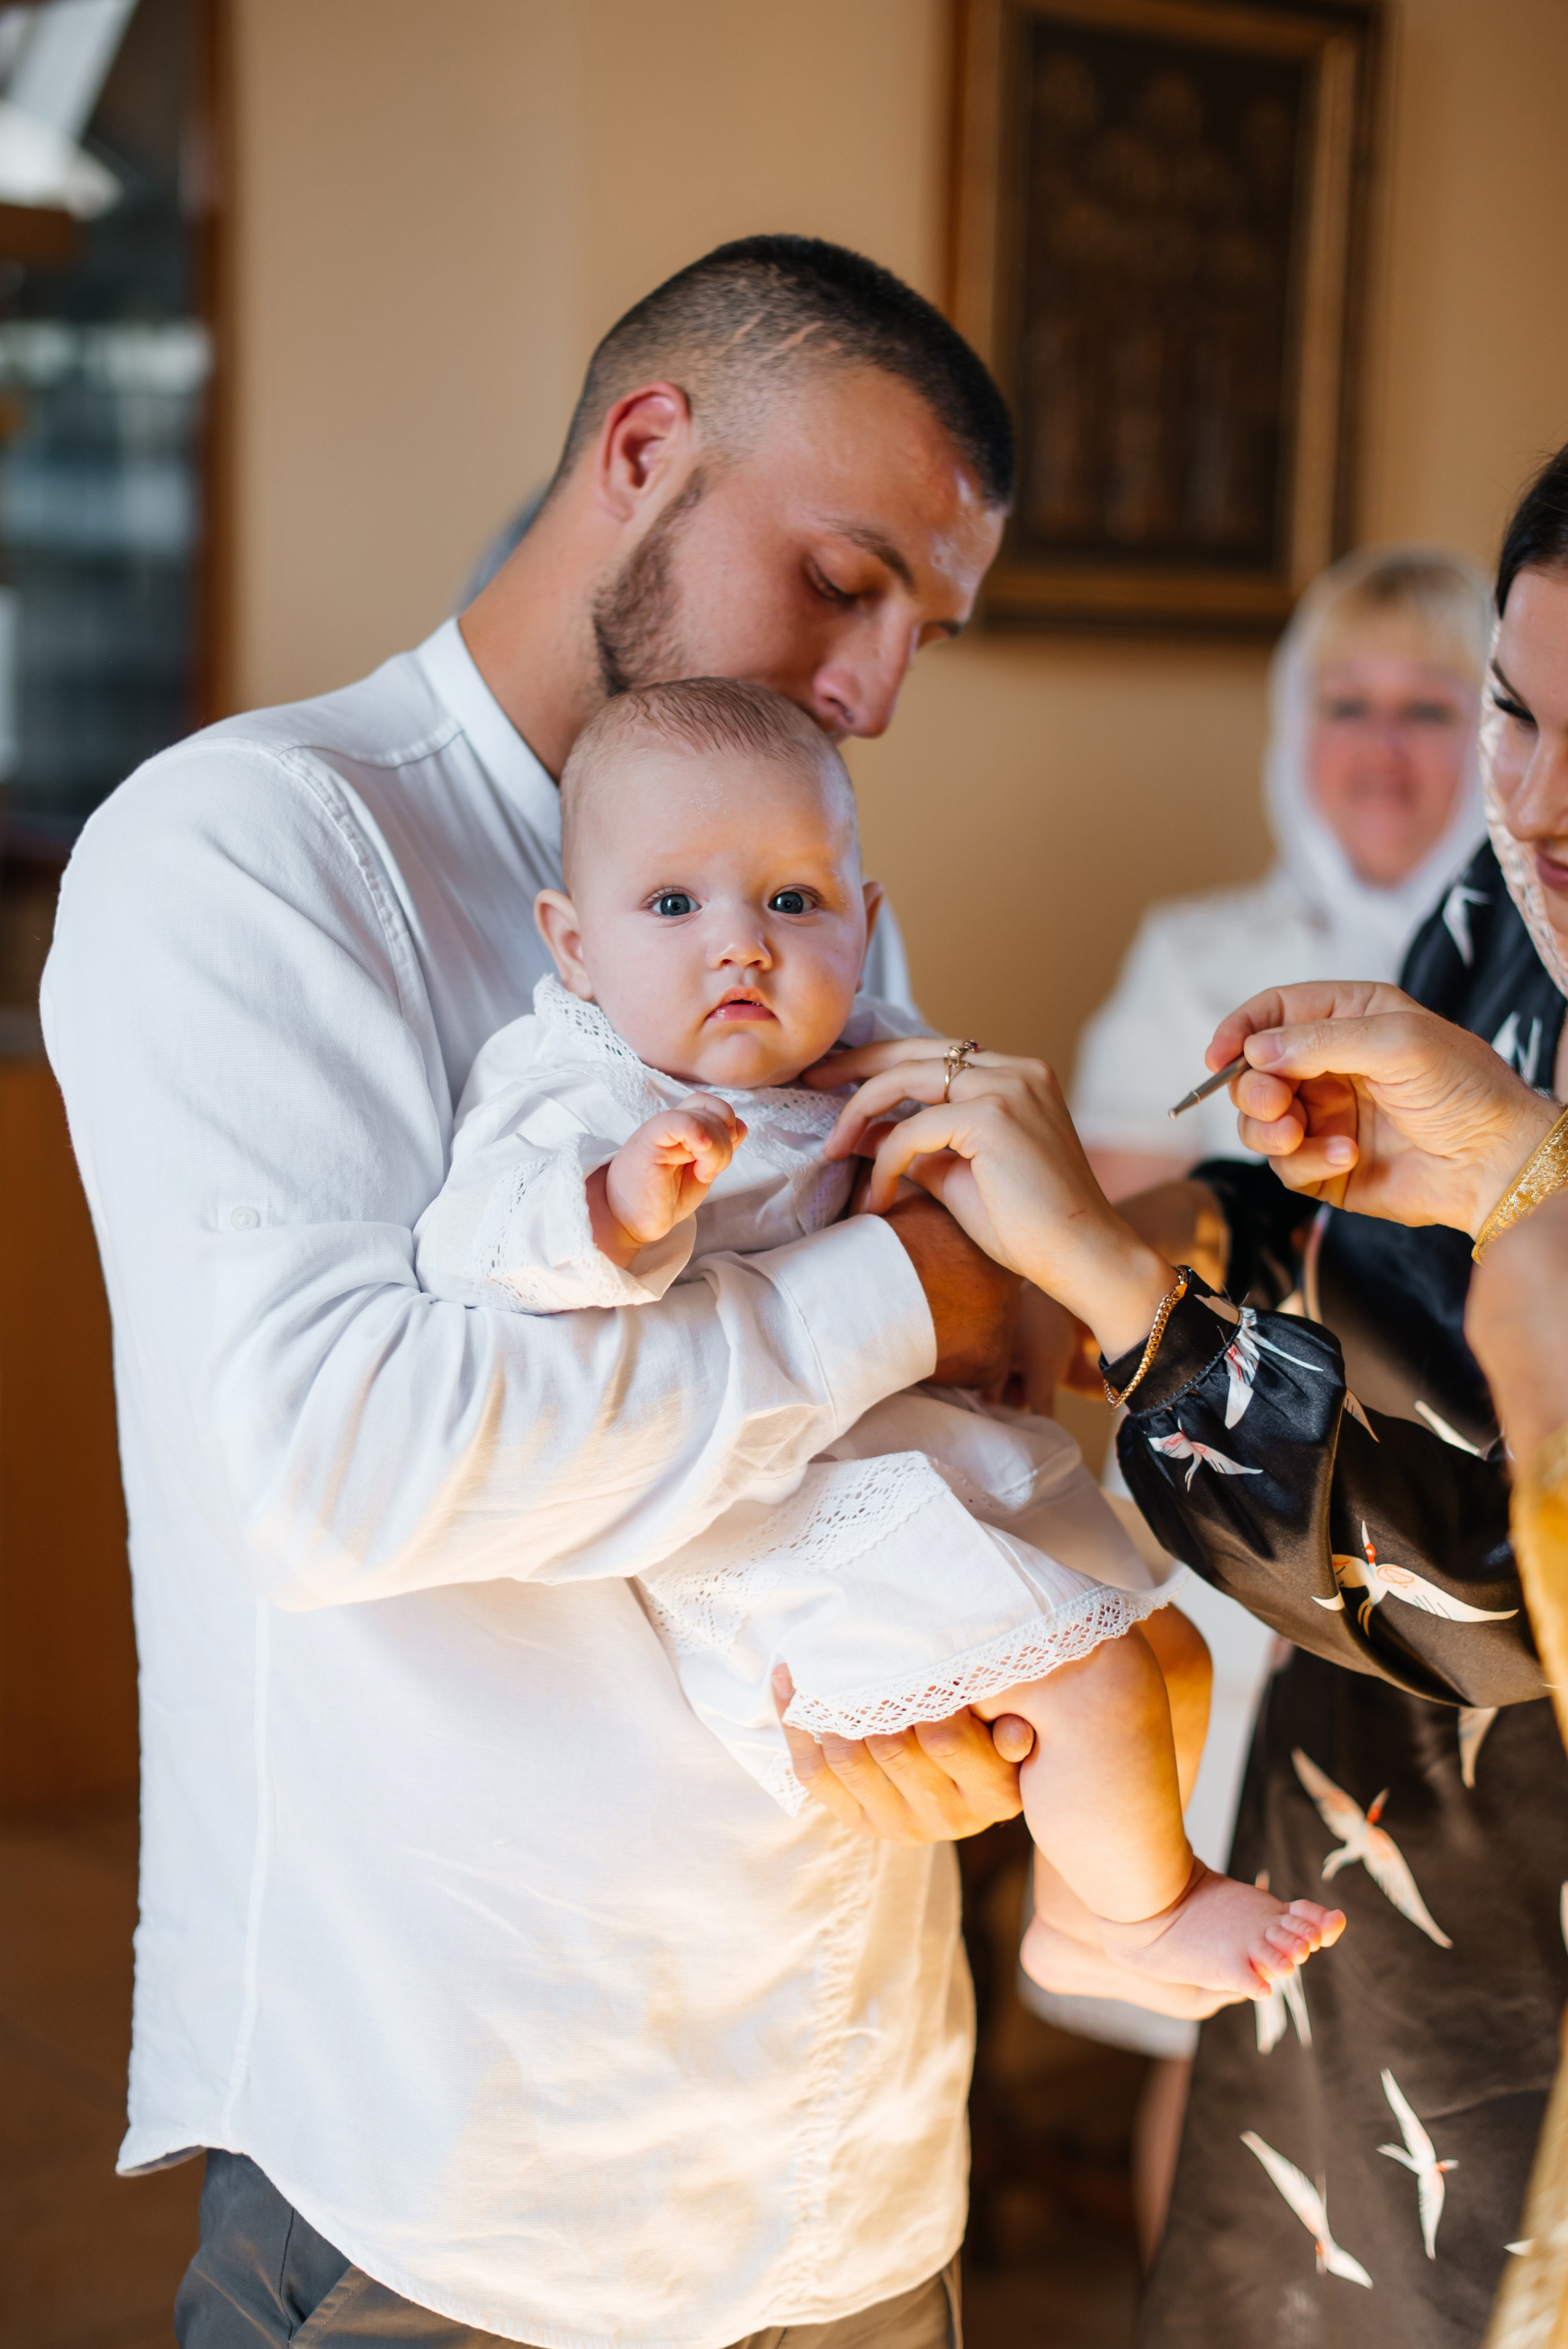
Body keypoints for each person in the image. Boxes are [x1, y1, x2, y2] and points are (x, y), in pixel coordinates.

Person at [42, 236, 1044, 2349]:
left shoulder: (804, 883)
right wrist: (894, 1297)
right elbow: (340, 1468)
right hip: (474, 2190)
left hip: (854, 2150)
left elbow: (975, 1359)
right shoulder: (250, 854)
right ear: (647, 447)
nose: (870, 684)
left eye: (921, 632)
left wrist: (953, 1677)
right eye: (844, 578)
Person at [816, 446, 1568, 2348]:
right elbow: (1375, 1255)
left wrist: (1110, 1284)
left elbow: (1483, 1593)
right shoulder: (1493, 921)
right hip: (1356, 1802)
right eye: (1511, 712)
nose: (1536, 807)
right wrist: (1177, 1225)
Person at [413, 673, 1344, 1999]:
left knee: (1164, 1645)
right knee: (1091, 1686)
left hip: (921, 1467)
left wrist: (995, 1247)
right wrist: (617, 1207)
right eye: (672, 905)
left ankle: (1095, 1902)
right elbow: (475, 1242)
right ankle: (1123, 1925)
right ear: (571, 943)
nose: (738, 944)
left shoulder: (877, 1047)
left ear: (863, 922)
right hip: (779, 1530)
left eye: (789, 901)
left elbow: (976, 1199)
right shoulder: (581, 1082)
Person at [1072, 544, 1491, 1198]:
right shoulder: (1187, 953)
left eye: (1428, 710)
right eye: (1347, 705)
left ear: (1494, 732)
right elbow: (1115, 1225)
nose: (1383, 746)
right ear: (1296, 723)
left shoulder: (1546, 958)